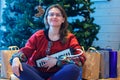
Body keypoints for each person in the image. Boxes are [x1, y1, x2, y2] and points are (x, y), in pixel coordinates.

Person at [10, 4, 86, 80]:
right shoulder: (38, 36)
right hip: (36, 73)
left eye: (58, 15)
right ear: (46, 18)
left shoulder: (70, 38)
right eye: (51, 14)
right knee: (20, 67)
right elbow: (26, 51)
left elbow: (80, 58)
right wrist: (16, 59)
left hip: (59, 74)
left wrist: (57, 61)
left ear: (63, 19)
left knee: (73, 69)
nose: (54, 17)